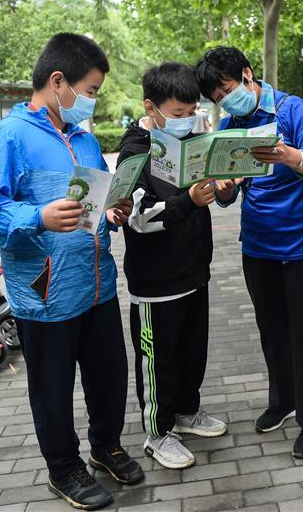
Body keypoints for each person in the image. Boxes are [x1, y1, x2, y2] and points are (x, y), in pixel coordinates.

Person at [0, 33, 142, 510]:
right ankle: (63, 468)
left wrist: (111, 211)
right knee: (53, 387)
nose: (92, 101)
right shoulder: (8, 137)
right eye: (92, 89)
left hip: (97, 283)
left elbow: (89, 202)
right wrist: (35, 217)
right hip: (44, 291)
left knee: (109, 376)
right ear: (58, 81)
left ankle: (106, 447)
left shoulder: (83, 139)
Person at [195, 46, 303, 459]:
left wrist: (290, 156)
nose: (225, 101)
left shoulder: (293, 111)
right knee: (272, 328)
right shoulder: (232, 124)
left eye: (227, 90)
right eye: (217, 98)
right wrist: (225, 189)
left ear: (247, 74)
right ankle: (284, 399)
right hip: (258, 245)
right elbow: (229, 191)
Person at [118, 62, 226, 470]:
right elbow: (137, 218)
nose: (186, 120)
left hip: (194, 273)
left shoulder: (193, 142)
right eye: (177, 114)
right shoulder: (136, 152)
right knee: (157, 361)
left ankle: (186, 412)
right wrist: (188, 202)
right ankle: (157, 433)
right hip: (155, 283)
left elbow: (199, 193)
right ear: (152, 107)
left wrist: (218, 185)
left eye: (190, 112)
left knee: (191, 353)